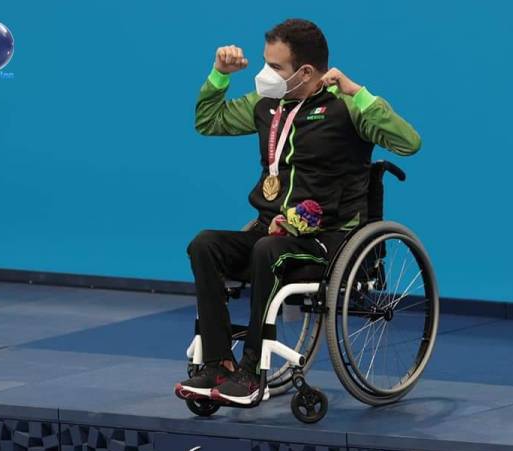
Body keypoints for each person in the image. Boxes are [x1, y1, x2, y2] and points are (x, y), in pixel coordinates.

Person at [175, 18, 421, 405]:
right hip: (269, 231)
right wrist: (220, 75)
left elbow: (408, 142)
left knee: (266, 250)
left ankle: (251, 373)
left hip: (328, 241)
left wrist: (358, 93)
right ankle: (218, 363)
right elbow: (209, 121)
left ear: (305, 71)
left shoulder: (347, 108)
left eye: (275, 67)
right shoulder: (266, 105)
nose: (264, 74)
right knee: (204, 244)